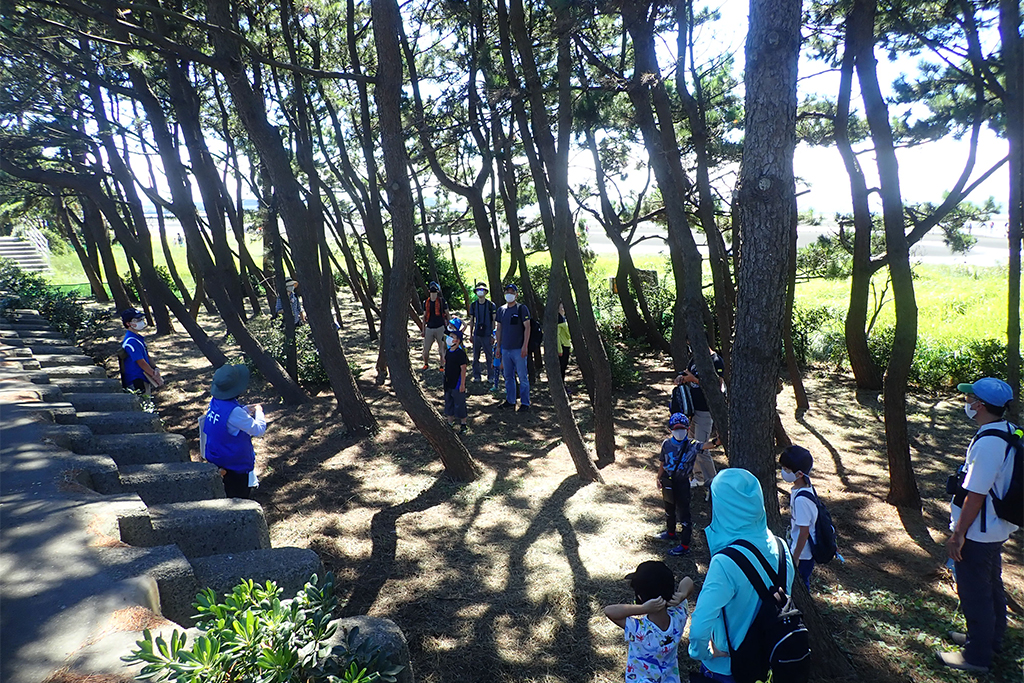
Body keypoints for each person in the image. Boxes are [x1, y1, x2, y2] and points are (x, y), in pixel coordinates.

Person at [938, 377, 1019, 674]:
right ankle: (990, 638)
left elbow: (976, 494)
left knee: (974, 593)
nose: (967, 403)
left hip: (978, 532)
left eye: (970, 399)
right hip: (994, 529)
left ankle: (976, 656)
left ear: (980, 406)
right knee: (991, 585)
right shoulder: (1007, 431)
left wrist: (958, 534)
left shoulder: (988, 444)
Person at [688, 468, 795, 682]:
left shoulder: (725, 562)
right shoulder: (781, 547)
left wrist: (703, 654)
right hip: (768, 659)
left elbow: (699, 628)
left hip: (726, 668)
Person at [604, 561, 694, 683]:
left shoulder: (639, 629)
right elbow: (687, 580)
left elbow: (609, 611)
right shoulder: (679, 614)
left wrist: (643, 608)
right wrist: (682, 595)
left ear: (640, 597)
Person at [655, 413, 717, 557]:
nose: (679, 432)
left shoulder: (692, 445)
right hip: (668, 481)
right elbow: (663, 463)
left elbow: (708, 445)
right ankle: (670, 532)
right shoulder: (666, 444)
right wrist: (658, 478)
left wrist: (718, 440)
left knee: (684, 515)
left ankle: (684, 544)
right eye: (676, 429)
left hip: (683, 483)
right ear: (671, 430)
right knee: (669, 508)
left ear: (687, 429)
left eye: (682, 429)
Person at [201, 364, 267, 499]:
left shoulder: (215, 402)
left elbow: (228, 419)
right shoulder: (234, 412)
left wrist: (246, 409)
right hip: (235, 466)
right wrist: (259, 412)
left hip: (217, 459)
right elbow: (258, 430)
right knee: (239, 499)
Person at [674, 344, 725, 487]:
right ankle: (699, 477)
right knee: (690, 444)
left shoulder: (716, 361)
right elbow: (687, 373)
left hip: (705, 411)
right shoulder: (695, 359)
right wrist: (681, 378)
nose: (691, 348)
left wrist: (694, 380)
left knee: (702, 448)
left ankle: (714, 484)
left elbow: (717, 386)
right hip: (692, 409)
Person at [780, 445, 818, 591]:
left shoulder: (801, 500)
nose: (784, 472)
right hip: (799, 548)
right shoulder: (804, 488)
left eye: (787, 469)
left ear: (800, 474)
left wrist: (795, 557)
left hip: (803, 553)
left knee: (800, 584)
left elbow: (804, 532)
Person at [496, 283, 531, 412]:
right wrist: (498, 347)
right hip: (505, 349)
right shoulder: (501, 310)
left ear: (516, 294)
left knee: (522, 377)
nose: (509, 294)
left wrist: (525, 346)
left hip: (518, 349)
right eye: (507, 292)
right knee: (508, 376)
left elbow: (527, 327)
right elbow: (499, 329)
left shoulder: (522, 309)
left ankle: (525, 403)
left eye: (512, 292)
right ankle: (510, 401)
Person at [119, 308, 163, 393]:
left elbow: (147, 356)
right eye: (137, 320)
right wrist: (154, 375)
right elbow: (140, 362)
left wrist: (155, 368)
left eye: (141, 319)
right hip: (136, 380)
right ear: (128, 324)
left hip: (144, 378)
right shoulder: (131, 341)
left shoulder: (137, 338)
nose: (141, 322)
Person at [467, 282, 497, 384]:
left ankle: (491, 376)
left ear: (485, 292)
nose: (480, 292)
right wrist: (470, 334)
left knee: (489, 356)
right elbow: (471, 320)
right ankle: (477, 376)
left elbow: (494, 321)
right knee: (476, 357)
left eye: (482, 290)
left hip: (487, 334)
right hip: (477, 334)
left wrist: (493, 334)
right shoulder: (473, 305)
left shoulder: (491, 305)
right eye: (478, 290)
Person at [443, 324, 469, 433]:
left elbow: (463, 369)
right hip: (448, 381)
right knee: (449, 401)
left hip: (457, 382)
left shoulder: (460, 354)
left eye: (452, 337)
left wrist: (462, 384)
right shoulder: (448, 352)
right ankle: (450, 422)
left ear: (457, 341)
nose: (449, 338)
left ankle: (463, 424)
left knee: (459, 403)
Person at [421, 281, 449, 370]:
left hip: (440, 327)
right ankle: (426, 364)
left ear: (438, 292)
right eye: (432, 291)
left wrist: (449, 327)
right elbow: (424, 317)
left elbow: (447, 315)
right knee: (426, 350)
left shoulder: (442, 302)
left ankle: (442, 365)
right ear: (429, 291)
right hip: (429, 328)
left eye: (435, 291)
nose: (433, 293)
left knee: (442, 349)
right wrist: (423, 329)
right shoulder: (426, 302)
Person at [557, 302, 572, 395]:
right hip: (562, 347)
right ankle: (561, 388)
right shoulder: (559, 319)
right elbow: (557, 336)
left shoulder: (564, 318)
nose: (563, 308)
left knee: (564, 367)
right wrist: (559, 349)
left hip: (566, 346)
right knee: (561, 368)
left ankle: (563, 385)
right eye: (561, 306)